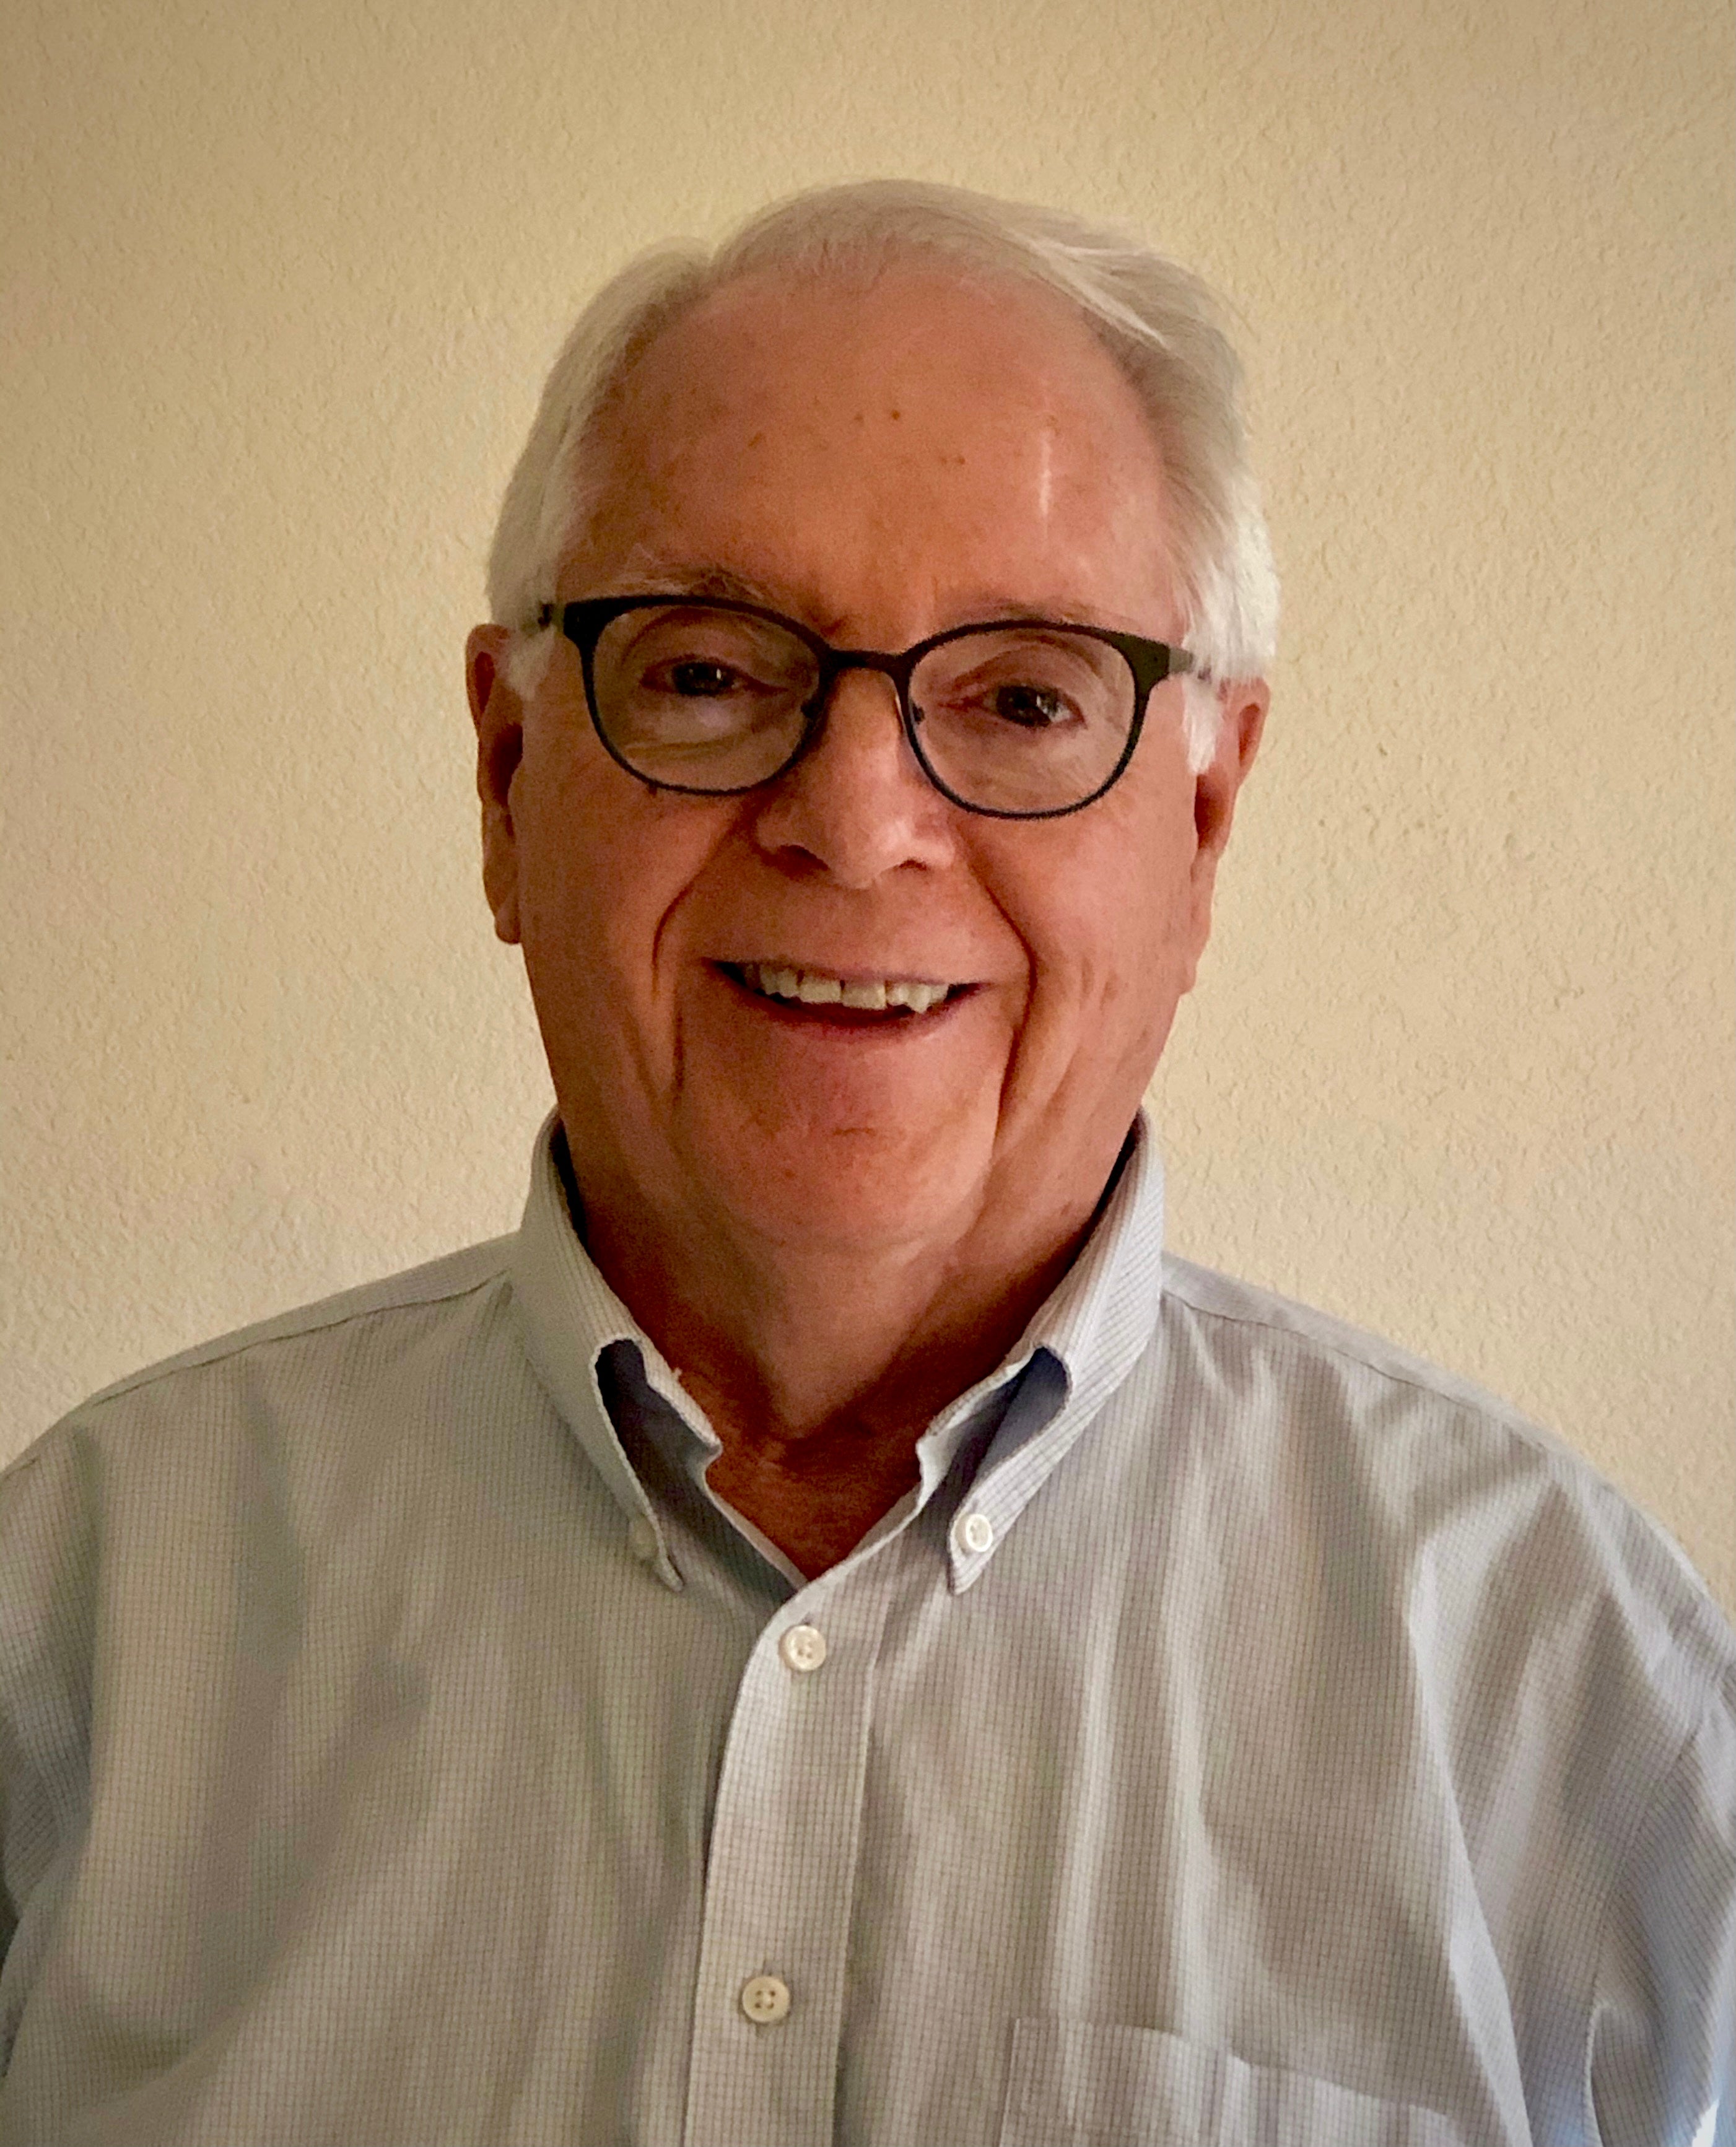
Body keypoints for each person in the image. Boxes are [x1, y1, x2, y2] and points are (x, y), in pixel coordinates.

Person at [1, 180, 1729, 2147]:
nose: (854, 817)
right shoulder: (84, 1616)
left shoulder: (1571, 1694)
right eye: (706, 671)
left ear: (1204, 816)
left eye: (1023, 697)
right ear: (504, 776)